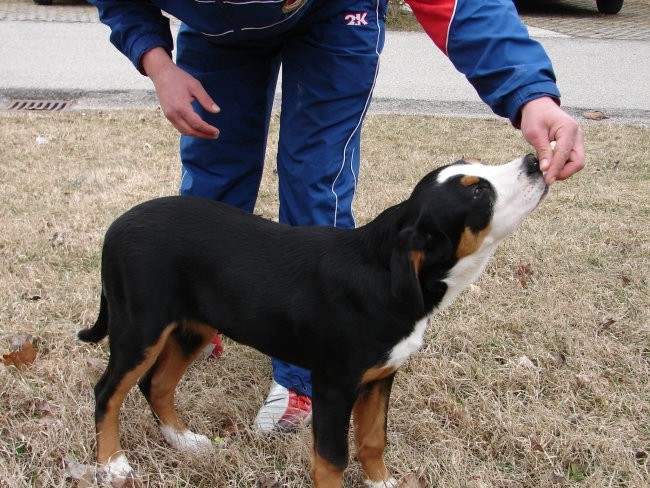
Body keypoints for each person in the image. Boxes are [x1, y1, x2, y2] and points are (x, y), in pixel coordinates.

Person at [89, 0, 585, 433]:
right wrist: (156, 61)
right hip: (217, 28)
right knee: (212, 188)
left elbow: (459, 4)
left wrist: (530, 93)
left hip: (332, 15)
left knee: (315, 188)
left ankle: (303, 375)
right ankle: (197, 313)